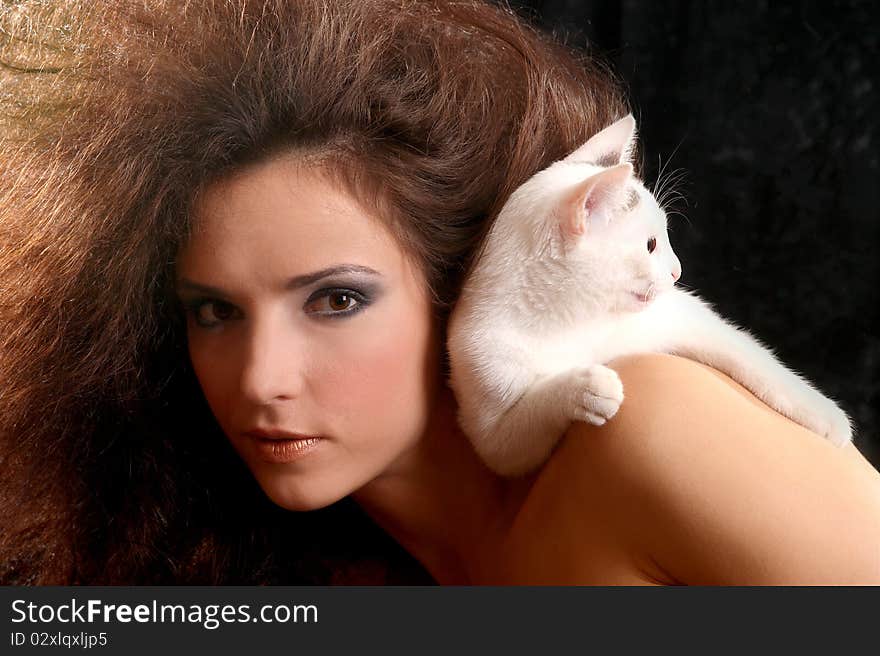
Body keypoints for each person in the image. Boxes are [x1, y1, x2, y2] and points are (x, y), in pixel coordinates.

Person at [1, 0, 878, 585]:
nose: (260, 380)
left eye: (336, 299)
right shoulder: (307, 574)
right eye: (216, 311)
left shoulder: (643, 428)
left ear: (462, 283)